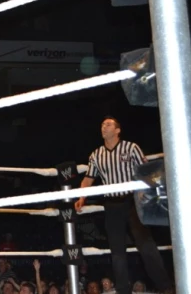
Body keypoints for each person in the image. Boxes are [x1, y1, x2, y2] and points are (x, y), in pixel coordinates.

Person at [74, 116, 172, 294]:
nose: (104, 126)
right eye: (102, 124)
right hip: (112, 204)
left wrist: (148, 193)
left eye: (109, 124)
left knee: (145, 244)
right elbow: (88, 178)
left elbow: (146, 171)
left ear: (117, 130)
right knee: (117, 250)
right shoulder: (96, 155)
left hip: (132, 202)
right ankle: (123, 290)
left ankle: (165, 287)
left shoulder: (131, 148)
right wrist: (82, 197)